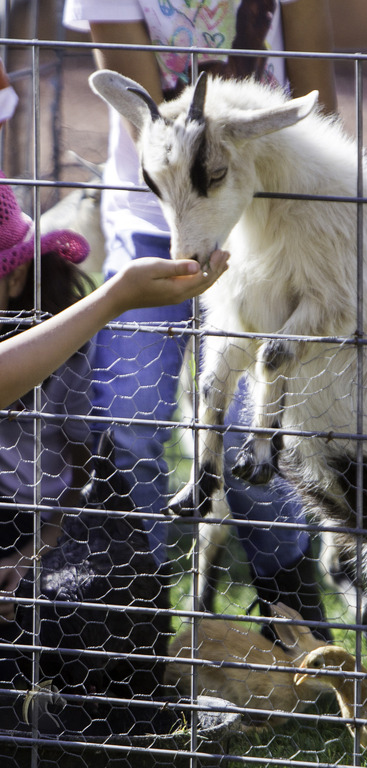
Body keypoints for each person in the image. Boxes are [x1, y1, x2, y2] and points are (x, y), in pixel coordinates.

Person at [62, 0, 337, 641]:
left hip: (264, 223)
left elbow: (317, 94)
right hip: (157, 220)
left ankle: (295, 628)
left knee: (254, 434)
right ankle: (137, 627)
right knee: (130, 420)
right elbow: (156, 125)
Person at [0, 173, 229, 635]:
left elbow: (83, 474)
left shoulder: (67, 356)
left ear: (17, 275)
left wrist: (34, 553)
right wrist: (116, 297)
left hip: (30, 527)